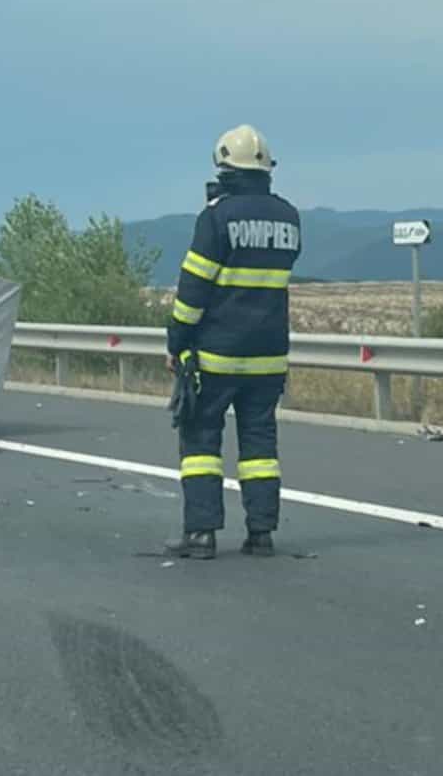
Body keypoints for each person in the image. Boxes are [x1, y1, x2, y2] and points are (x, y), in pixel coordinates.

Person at [166, 124, 302, 560]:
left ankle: (202, 534)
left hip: (218, 354)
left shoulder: (216, 217)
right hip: (269, 357)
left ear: (224, 166)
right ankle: (261, 533)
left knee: (201, 441)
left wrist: (177, 341)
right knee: (260, 445)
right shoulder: (289, 217)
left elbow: (193, 291)